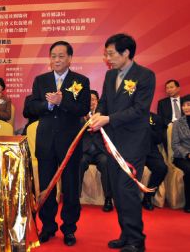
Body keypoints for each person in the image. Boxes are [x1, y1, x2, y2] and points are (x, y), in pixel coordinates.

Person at [91, 33, 155, 252]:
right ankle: (126, 235)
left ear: (126, 52)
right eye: (106, 54)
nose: (108, 58)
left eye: (111, 53)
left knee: (126, 188)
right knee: (117, 191)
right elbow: (104, 102)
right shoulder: (111, 76)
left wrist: (108, 119)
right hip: (113, 141)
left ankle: (137, 240)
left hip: (134, 141)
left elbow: (139, 109)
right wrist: (97, 115)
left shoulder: (145, 76)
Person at [25, 41, 90, 246]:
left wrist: (63, 102)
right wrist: (48, 104)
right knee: (46, 186)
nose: (57, 60)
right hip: (46, 142)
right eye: (54, 56)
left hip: (70, 142)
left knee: (70, 187)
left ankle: (69, 228)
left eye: (61, 56)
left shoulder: (81, 80)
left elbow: (83, 108)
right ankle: (48, 226)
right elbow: (30, 108)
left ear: (70, 58)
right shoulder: (41, 80)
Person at [79, 90, 113, 212]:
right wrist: (84, 120)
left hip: (100, 151)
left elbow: (110, 130)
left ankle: (108, 199)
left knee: (105, 163)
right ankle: (75, 199)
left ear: (97, 101)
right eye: (88, 99)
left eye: (93, 99)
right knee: (79, 163)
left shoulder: (104, 115)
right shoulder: (80, 114)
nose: (91, 102)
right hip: (85, 151)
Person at [141, 112, 168, 210]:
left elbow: (158, 139)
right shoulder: (128, 116)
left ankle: (147, 197)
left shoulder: (156, 118)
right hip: (133, 150)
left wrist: (146, 126)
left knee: (162, 168)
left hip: (150, 150)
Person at [171, 94, 190, 213]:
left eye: (189, 105)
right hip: (181, 157)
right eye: (184, 105)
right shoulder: (178, 123)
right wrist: (188, 154)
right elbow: (175, 144)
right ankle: (188, 203)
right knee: (189, 170)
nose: (186, 108)